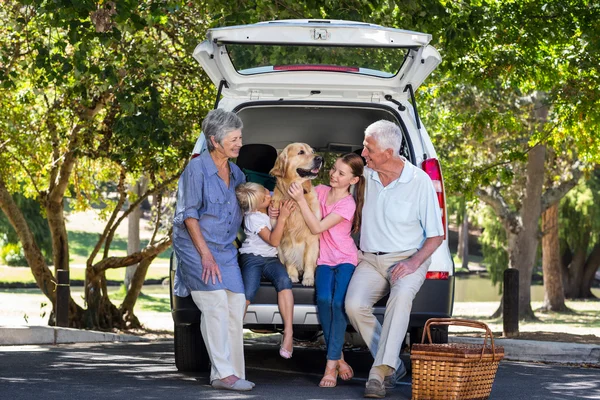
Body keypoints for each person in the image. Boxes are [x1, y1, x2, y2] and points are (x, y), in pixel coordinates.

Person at [344, 120, 444, 398]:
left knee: (400, 299)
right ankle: (394, 364)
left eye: (369, 148)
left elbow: (436, 236)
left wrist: (413, 264)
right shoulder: (364, 176)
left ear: (388, 152)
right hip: (370, 260)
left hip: (408, 257)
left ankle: (380, 371)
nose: (364, 153)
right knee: (353, 305)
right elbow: (337, 197)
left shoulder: (419, 181)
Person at [172, 109, 254, 392]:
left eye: (240, 137)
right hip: (195, 246)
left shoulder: (236, 172)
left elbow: (248, 205)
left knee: (235, 304)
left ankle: (232, 372)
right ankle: (223, 372)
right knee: (216, 302)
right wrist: (205, 255)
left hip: (223, 247)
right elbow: (189, 216)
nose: (239, 144)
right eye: (233, 139)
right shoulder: (196, 169)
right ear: (215, 141)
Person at [288, 153, 365, 388]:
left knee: (337, 304)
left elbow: (317, 226)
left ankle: (329, 367)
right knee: (323, 300)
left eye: (341, 173)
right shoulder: (319, 190)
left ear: (353, 181)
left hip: (345, 259)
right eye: (333, 169)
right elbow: (294, 195)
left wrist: (301, 200)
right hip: (322, 260)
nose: (333, 174)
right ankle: (339, 357)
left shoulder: (347, 204)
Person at [235, 182, 296, 359]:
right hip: (252, 257)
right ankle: (234, 333)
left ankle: (289, 334)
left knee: (285, 281)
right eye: (265, 197)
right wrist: (283, 217)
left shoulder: (266, 211)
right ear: (256, 204)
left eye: (268, 193)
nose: (270, 195)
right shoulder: (252, 217)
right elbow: (273, 240)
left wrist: (275, 215)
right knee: (248, 291)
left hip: (271, 259)